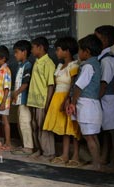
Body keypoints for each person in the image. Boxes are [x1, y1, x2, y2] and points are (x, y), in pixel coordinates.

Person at [42, 37, 81, 166]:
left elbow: (74, 85)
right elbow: (54, 85)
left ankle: (75, 155)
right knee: (64, 128)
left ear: (67, 51)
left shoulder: (74, 65)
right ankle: (64, 154)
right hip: (57, 98)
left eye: (58, 50)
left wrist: (68, 99)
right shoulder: (59, 66)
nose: (56, 53)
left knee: (72, 128)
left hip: (67, 98)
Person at [68, 34, 103, 170]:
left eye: (80, 50)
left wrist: (73, 102)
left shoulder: (88, 66)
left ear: (86, 52)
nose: (78, 53)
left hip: (86, 104)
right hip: (93, 104)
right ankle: (97, 163)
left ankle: (95, 165)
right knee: (93, 136)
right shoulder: (96, 64)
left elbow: (79, 86)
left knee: (89, 137)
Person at [27, 36, 56, 161]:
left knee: (44, 128)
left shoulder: (48, 63)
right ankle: (39, 149)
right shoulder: (36, 61)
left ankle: (49, 152)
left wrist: (48, 103)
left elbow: (51, 85)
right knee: (35, 126)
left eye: (33, 48)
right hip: (33, 101)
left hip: (42, 101)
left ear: (40, 47)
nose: (31, 50)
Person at [94, 25, 114, 166]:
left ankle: (110, 159)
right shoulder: (101, 58)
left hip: (108, 99)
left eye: (97, 39)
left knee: (110, 131)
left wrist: (94, 100)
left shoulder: (107, 60)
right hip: (105, 99)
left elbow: (104, 84)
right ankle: (104, 157)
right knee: (106, 131)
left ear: (105, 40)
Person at [11, 40, 34, 155]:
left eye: (16, 52)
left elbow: (25, 83)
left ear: (24, 52)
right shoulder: (20, 66)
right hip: (19, 100)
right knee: (20, 122)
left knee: (25, 122)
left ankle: (29, 147)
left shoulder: (28, 65)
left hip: (24, 99)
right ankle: (25, 144)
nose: (14, 55)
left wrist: (16, 93)